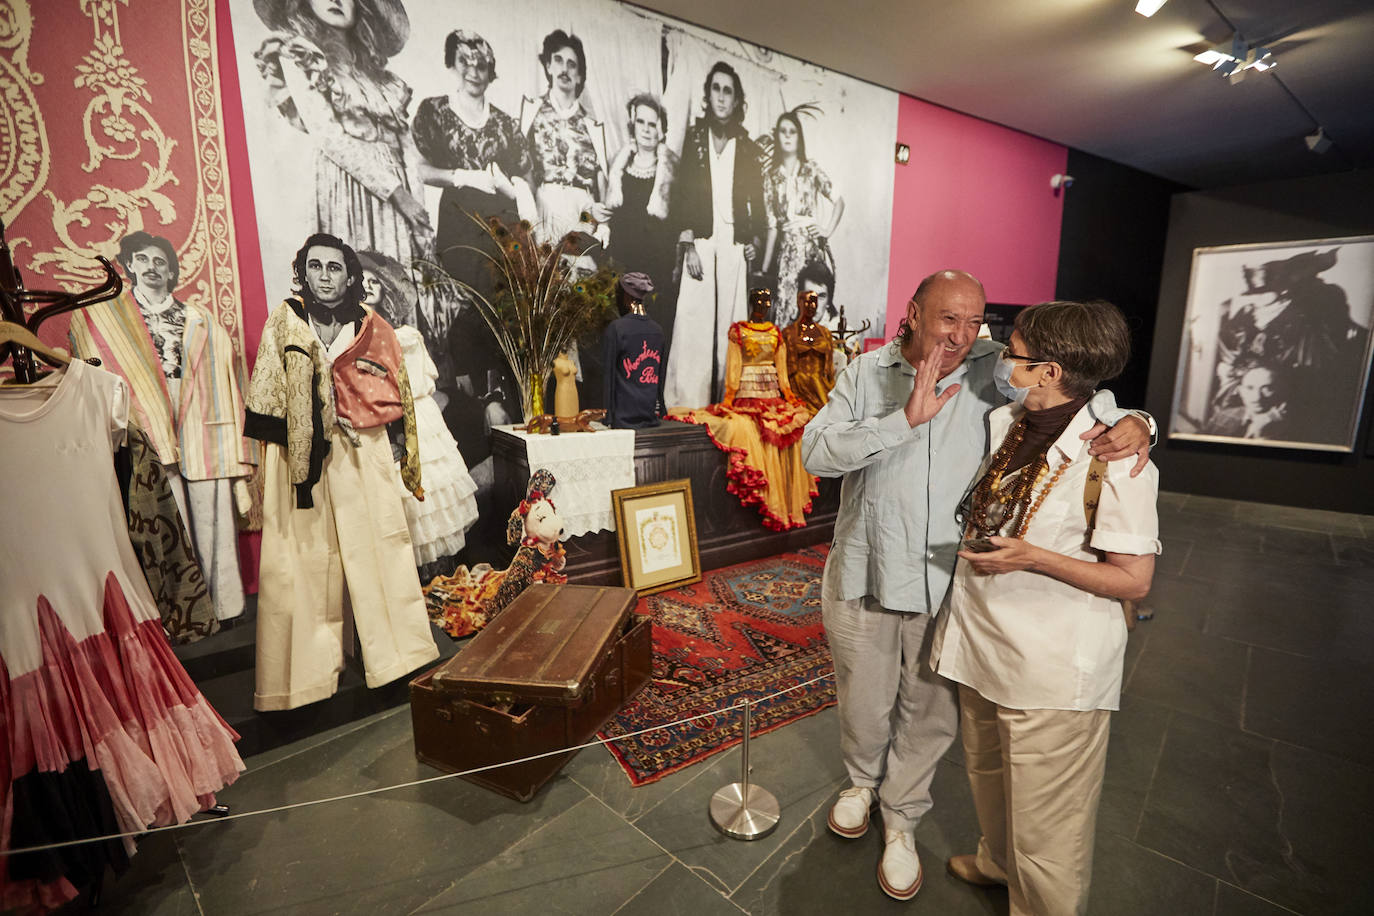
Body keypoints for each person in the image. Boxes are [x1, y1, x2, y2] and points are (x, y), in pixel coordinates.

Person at [800, 270, 1152, 901]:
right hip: (868, 566)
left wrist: (1138, 420)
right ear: (911, 314)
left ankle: (903, 817)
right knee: (862, 695)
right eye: (947, 320)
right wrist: (901, 420)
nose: (963, 336)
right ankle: (860, 784)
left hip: (951, 583)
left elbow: (1080, 395)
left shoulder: (998, 366)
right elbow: (816, 455)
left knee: (932, 711)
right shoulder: (865, 373)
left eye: (975, 322)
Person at [931, 299, 1160, 915]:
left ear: (1050, 370)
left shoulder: (1118, 458)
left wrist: (1034, 558)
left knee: (1048, 823)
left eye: (1015, 353)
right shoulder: (1008, 420)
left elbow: (1134, 581)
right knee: (987, 773)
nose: (1003, 359)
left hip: (1054, 664)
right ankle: (996, 862)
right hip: (984, 643)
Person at [246, 233, 435, 711]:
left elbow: (397, 389)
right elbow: (266, 389)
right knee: (302, 558)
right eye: (316, 267)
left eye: (335, 268)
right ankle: (304, 678)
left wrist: (368, 419)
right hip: (300, 452)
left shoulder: (372, 325)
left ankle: (397, 657)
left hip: (360, 447)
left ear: (350, 275)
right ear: (303, 272)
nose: (325, 276)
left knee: (378, 547)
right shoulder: (286, 320)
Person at [68, 231, 257, 622]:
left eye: (160, 261)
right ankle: (184, 614)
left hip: (202, 421)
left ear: (171, 270)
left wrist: (240, 450)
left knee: (212, 518)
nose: (152, 267)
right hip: (148, 421)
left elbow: (230, 380)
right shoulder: (109, 319)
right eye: (143, 259)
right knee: (170, 523)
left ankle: (224, 608)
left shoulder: (200, 319)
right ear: (130, 265)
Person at [252, 0, 432, 284]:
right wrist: (396, 192)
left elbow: (405, 145)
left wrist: (416, 206)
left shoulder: (381, 79)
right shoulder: (301, 57)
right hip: (348, 187)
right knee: (359, 289)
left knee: (401, 287)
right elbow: (330, 137)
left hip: (399, 194)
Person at [357, 250, 479, 572]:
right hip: (383, 420)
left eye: (375, 282)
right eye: (363, 281)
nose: (369, 286)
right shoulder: (354, 334)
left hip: (415, 419)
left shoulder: (402, 335)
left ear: (385, 289)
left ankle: (440, 578)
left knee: (426, 496)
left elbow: (419, 382)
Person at [663, 61, 767, 407]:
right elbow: (681, 195)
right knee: (693, 319)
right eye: (716, 89)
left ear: (736, 99)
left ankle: (726, 403)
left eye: (728, 90)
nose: (721, 97)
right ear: (708, 94)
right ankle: (685, 404)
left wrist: (753, 242)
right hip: (702, 241)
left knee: (731, 327)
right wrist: (688, 244)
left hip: (734, 243)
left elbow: (757, 201)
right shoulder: (695, 138)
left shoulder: (748, 147)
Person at [520, 30, 609, 245]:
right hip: (544, 205)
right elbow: (523, 168)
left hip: (581, 210)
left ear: (579, 76)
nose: (564, 69)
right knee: (544, 271)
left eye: (572, 64)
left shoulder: (592, 125)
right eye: (558, 60)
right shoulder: (532, 113)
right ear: (548, 66)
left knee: (581, 273)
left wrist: (604, 223)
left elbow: (601, 178)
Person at [762, 109, 845, 326]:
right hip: (786, 254)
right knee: (787, 310)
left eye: (792, 131)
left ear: (799, 137)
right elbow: (772, 226)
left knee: (813, 307)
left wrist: (826, 230)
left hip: (810, 250)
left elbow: (839, 201)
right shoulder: (771, 177)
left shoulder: (811, 170)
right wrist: (763, 269)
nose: (788, 136)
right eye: (783, 131)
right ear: (777, 137)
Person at [603, 93, 678, 306]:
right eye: (640, 122)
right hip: (621, 262)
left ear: (661, 130)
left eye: (652, 124)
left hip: (654, 269)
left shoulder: (670, 171)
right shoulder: (618, 167)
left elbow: (674, 226)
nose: (646, 129)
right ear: (632, 125)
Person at [782, 289, 836, 412]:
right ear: (799, 303)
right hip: (797, 386)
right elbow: (782, 366)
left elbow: (829, 368)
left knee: (825, 418)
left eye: (814, 302)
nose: (811, 306)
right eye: (807, 302)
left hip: (821, 387)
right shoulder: (788, 333)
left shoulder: (825, 333)